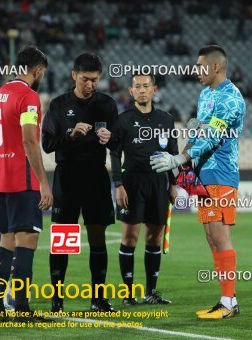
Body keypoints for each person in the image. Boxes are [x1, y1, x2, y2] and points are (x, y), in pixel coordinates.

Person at [150, 45, 246, 319]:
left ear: (216, 67)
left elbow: (213, 137)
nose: (196, 72)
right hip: (203, 177)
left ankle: (228, 302)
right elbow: (198, 134)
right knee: (212, 239)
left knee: (220, 236)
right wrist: (184, 165)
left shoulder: (231, 98)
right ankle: (228, 300)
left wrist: (178, 159)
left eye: (201, 67)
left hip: (221, 175)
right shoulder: (205, 95)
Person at [42, 52, 118, 312]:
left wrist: (112, 138)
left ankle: (98, 299)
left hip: (96, 176)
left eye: (95, 80)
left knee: (98, 237)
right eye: (86, 79)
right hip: (68, 176)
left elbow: (119, 142)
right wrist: (70, 134)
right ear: (74, 75)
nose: (90, 85)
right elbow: (47, 144)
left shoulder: (107, 104)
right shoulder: (58, 105)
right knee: (64, 238)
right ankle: (57, 300)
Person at [0, 46, 53, 320]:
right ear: (37, 71)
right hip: (23, 182)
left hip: (1, 183)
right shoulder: (29, 97)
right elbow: (29, 139)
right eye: (42, 74)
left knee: (6, 242)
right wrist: (44, 182)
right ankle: (22, 309)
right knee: (27, 242)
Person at [110, 73, 178, 306]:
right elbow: (115, 153)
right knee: (130, 237)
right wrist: (118, 184)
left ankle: (151, 291)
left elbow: (172, 153)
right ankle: (128, 293)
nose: (141, 90)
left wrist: (174, 184)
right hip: (132, 183)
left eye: (145, 86)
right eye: (137, 86)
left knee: (154, 237)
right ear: (131, 91)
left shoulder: (166, 119)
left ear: (154, 89)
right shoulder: (123, 120)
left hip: (158, 183)